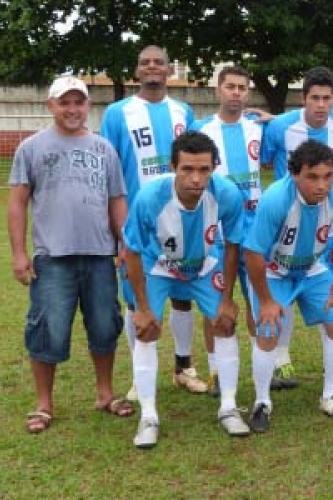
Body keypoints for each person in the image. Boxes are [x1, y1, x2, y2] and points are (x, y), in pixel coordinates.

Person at [8, 76, 132, 433]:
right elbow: (17, 203)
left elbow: (116, 200)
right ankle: (44, 404)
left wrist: (123, 243)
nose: (72, 109)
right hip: (53, 256)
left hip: (98, 255)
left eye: (79, 102)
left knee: (105, 324)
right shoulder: (31, 148)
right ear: (51, 106)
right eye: (65, 102)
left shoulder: (104, 149)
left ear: (88, 106)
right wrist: (19, 254)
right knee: (48, 328)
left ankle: (105, 394)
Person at [124, 131, 246, 449]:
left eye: (204, 169)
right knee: (148, 329)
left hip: (204, 264)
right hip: (159, 265)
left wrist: (227, 298)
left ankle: (229, 407)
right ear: (173, 167)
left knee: (225, 322)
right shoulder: (150, 197)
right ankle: (148, 415)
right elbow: (132, 252)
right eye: (187, 169)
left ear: (214, 167)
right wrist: (142, 307)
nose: (196, 178)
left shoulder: (227, 194)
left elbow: (233, 245)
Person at [100, 45, 205, 398]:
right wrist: (117, 231)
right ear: (137, 70)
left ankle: (184, 365)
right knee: (136, 297)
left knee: (182, 295)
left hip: (181, 220)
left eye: (159, 62)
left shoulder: (183, 110)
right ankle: (138, 373)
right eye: (145, 63)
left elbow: (196, 154)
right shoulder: (118, 113)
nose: (152, 67)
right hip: (138, 223)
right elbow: (109, 174)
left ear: (169, 69)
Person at [243, 140, 333, 432]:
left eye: (327, 176)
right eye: (312, 177)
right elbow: (253, 253)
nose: (321, 185)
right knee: (268, 328)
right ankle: (262, 401)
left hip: (311, 269)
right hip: (273, 271)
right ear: (295, 174)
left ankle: (330, 395)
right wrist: (266, 301)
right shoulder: (276, 198)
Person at [259, 66, 333, 390]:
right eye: (315, 98)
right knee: (277, 296)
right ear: (303, 98)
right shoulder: (281, 126)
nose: (321, 105)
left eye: (327, 98)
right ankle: (280, 358)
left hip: (326, 229)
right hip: (285, 227)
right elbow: (266, 161)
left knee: (326, 297)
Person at [189, 65, 264, 397]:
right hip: (215, 234)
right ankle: (217, 370)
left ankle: (262, 367)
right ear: (218, 89)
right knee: (215, 303)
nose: (236, 92)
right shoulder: (202, 130)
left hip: (255, 233)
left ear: (248, 93)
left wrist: (272, 117)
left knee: (257, 301)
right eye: (230, 86)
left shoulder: (259, 130)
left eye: (242, 87)